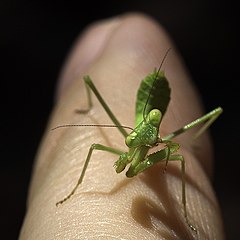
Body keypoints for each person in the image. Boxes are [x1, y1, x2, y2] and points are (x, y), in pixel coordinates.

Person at [19, 13, 225, 239]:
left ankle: (189, 179)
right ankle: (88, 112)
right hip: (148, 105)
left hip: (156, 101)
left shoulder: (154, 139)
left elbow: (169, 154)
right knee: (93, 135)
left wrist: (183, 214)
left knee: (206, 126)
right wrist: (76, 188)